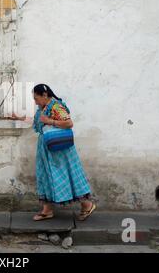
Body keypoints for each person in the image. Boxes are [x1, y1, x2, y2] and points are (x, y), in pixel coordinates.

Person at [11, 84, 96, 221]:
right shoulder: (43, 108)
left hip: (60, 149)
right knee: (45, 174)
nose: (35, 101)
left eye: (36, 98)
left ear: (44, 95)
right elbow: (37, 121)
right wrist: (18, 118)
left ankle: (87, 205)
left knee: (68, 174)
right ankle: (47, 210)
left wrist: (50, 121)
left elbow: (69, 123)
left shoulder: (56, 106)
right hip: (47, 148)